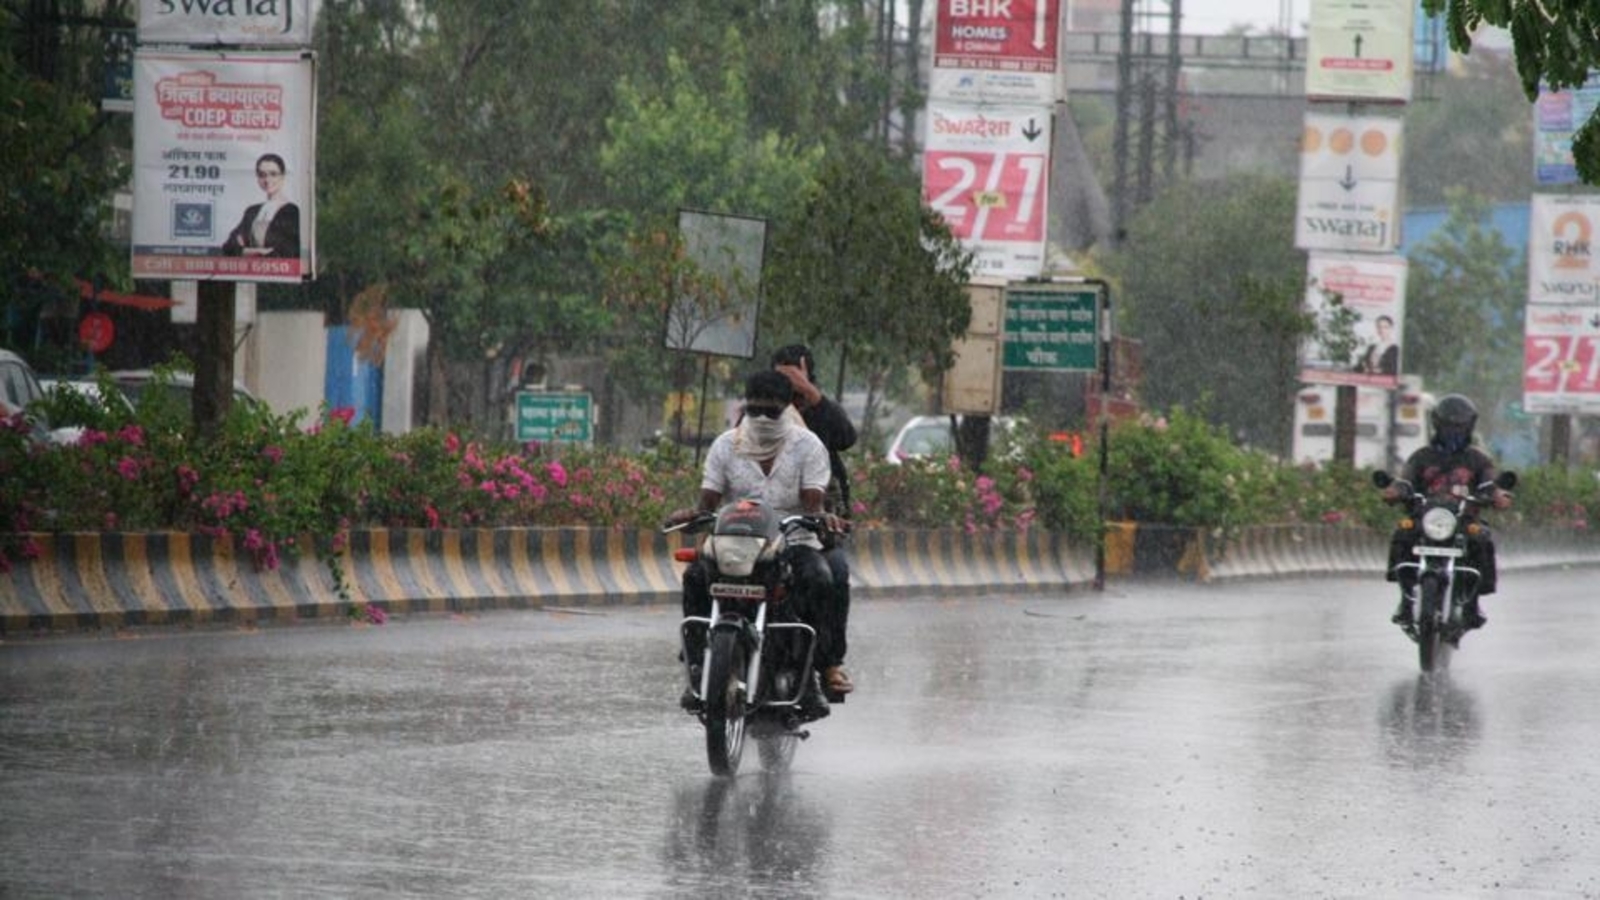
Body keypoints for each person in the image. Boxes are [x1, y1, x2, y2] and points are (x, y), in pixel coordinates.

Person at [666, 370, 843, 720]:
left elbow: (813, 503)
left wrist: (822, 518)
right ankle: (699, 665)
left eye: (771, 411)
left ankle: (810, 676)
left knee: (820, 577)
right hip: (735, 545)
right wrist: (691, 514)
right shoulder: (724, 445)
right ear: (745, 407)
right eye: (755, 410)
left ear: (788, 408)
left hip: (792, 541)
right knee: (695, 576)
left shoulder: (808, 446)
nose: (762, 418)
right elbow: (708, 504)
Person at [771, 343, 857, 699]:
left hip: (813, 531)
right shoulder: (756, 424)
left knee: (833, 573)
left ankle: (827, 662)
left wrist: (810, 395)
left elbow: (845, 437)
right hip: (761, 532)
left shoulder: (817, 426)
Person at [1384, 394, 1512, 630]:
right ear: (1437, 423)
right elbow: (1406, 480)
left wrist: (1497, 496)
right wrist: (1394, 490)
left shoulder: (1478, 459)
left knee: (1482, 539)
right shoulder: (1421, 456)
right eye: (1449, 424)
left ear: (1469, 425)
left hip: (1463, 520)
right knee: (1402, 533)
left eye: (1459, 425)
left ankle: (1473, 604)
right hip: (1426, 518)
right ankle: (1405, 601)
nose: (1454, 430)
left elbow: (1489, 484)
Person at [222, 153, 300, 258]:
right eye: (262, 175)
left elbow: (286, 251)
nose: (267, 180)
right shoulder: (252, 211)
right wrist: (261, 251)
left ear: (282, 176)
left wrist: (245, 251)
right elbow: (229, 247)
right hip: (250, 272)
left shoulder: (291, 212)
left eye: (273, 174)